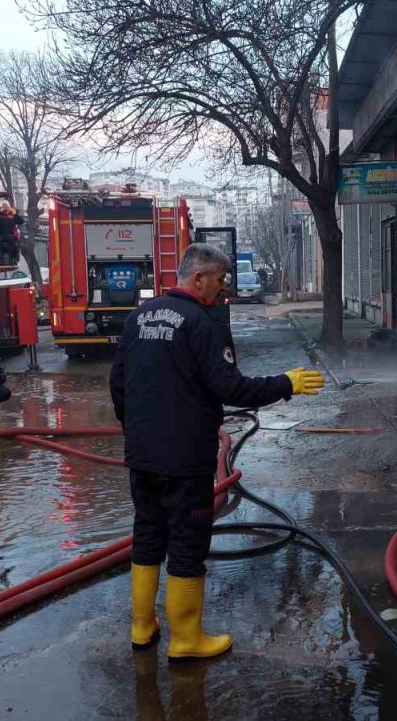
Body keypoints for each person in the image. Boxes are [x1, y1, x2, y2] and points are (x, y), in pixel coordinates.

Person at [110, 243, 324, 662]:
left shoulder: (138, 318)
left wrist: (137, 432)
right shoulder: (201, 321)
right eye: (221, 280)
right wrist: (286, 383)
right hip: (185, 458)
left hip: (143, 456)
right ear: (199, 278)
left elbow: (118, 385)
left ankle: (142, 628)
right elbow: (231, 388)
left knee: (149, 536)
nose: (224, 289)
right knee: (188, 543)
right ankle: (186, 639)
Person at [0, 200, 25, 266]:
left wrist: (15, 214)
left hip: (9, 234)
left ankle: (12, 260)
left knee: (13, 243)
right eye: (3, 206)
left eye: (6, 206)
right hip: (0, 234)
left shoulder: (12, 215)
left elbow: (21, 221)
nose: (5, 208)